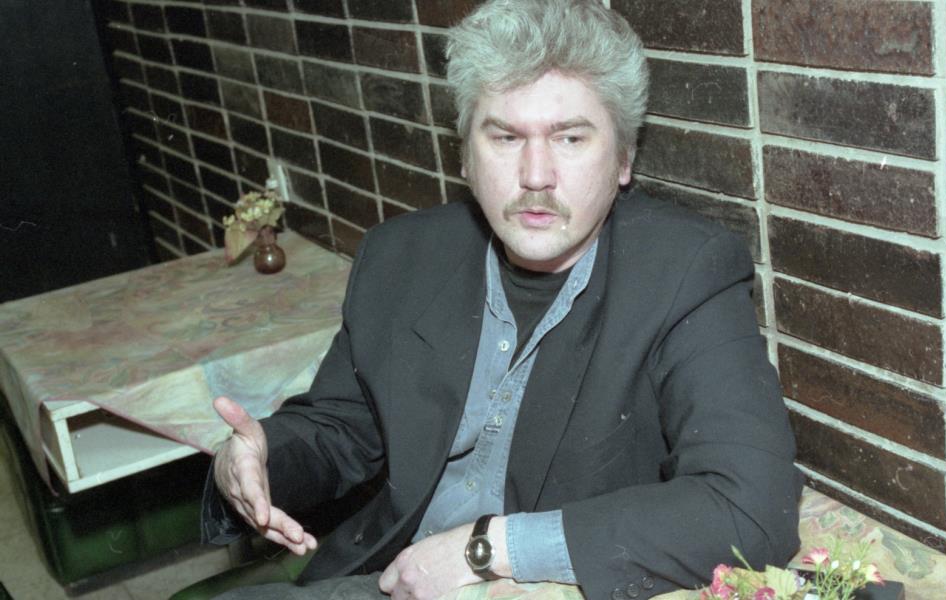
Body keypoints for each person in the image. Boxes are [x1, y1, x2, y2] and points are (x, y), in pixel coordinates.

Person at [203, 0, 803, 598]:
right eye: (506, 137)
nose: (536, 175)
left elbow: (750, 509)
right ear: (465, 156)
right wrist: (260, 458)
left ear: (623, 158)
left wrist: (489, 548)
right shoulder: (401, 256)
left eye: (570, 137)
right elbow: (341, 428)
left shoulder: (684, 272)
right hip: (384, 580)